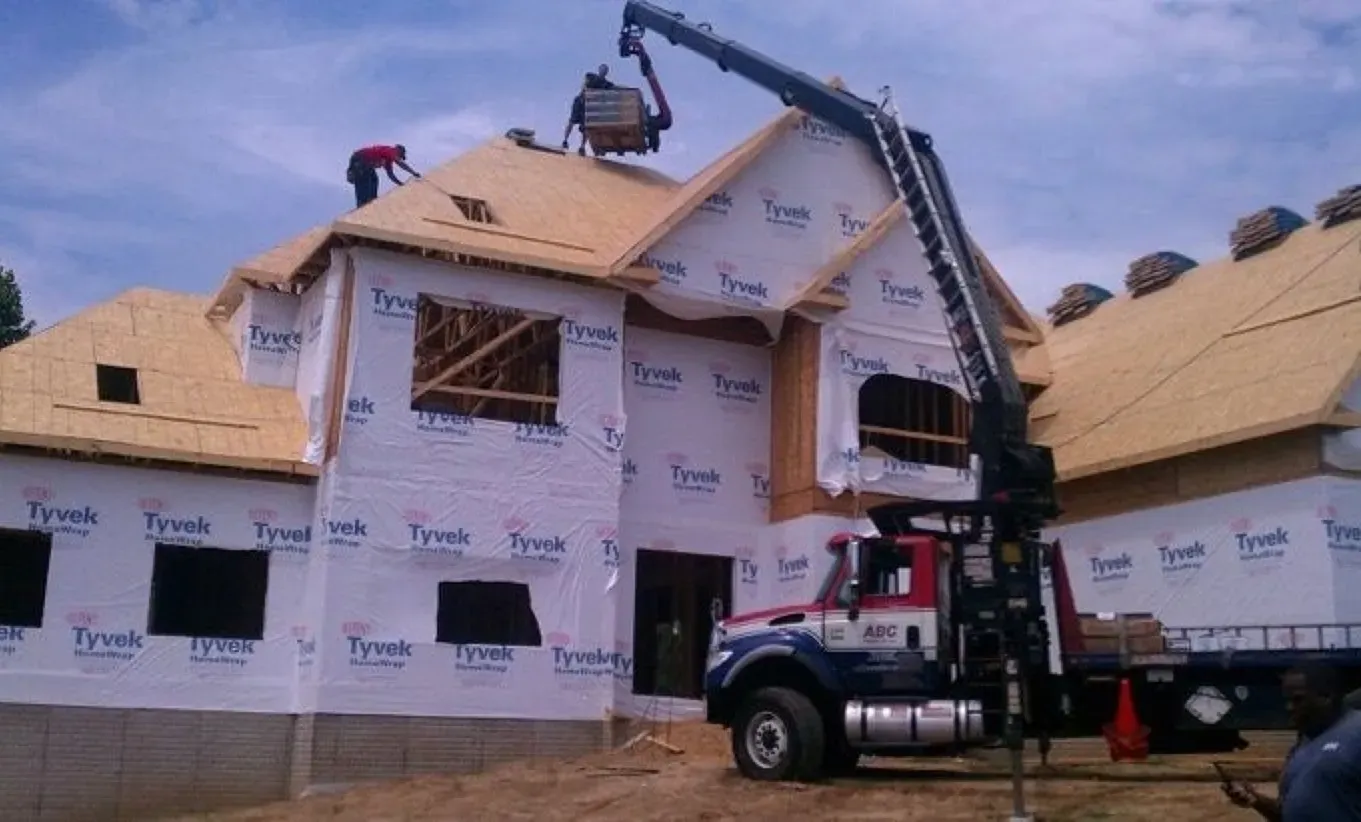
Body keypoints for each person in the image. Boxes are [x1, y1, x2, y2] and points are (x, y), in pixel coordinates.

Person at [1222, 662, 1361, 819]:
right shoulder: (1303, 743)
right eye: (1287, 700)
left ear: (1326, 696)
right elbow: (1286, 814)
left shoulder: (1356, 732)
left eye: (1298, 700)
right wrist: (1255, 800)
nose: (1289, 707)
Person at [561, 67, 616, 154]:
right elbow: (584, 85)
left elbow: (615, 88)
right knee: (572, 121)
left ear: (606, 72)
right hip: (581, 101)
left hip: (591, 106)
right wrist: (590, 92)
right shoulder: (590, 76)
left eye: (605, 70)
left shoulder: (606, 84)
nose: (603, 71)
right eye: (602, 69)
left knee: (586, 127)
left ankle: (582, 147)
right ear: (599, 70)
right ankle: (565, 141)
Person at [346, 144, 420, 208]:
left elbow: (391, 175)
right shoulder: (390, 150)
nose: (399, 158)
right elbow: (401, 164)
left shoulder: (388, 161)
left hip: (366, 164)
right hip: (359, 159)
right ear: (398, 150)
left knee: (374, 179)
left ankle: (371, 199)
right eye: (400, 156)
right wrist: (413, 172)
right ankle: (362, 202)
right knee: (364, 179)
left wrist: (400, 184)